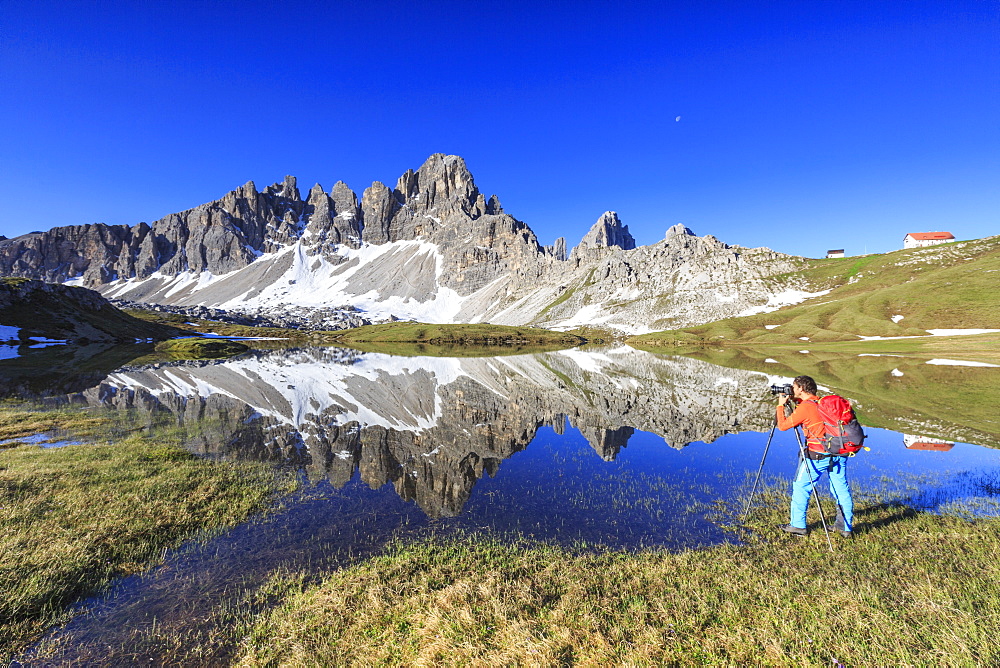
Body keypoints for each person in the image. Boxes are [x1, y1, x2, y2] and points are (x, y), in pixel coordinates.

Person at [775, 375, 854, 538]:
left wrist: (781, 406)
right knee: (840, 488)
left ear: (801, 389)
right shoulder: (822, 403)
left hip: (818, 454)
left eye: (794, 387)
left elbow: (782, 426)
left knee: (801, 486)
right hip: (840, 452)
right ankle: (844, 527)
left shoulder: (805, 407)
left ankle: (798, 526)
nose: (792, 389)